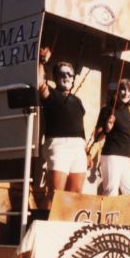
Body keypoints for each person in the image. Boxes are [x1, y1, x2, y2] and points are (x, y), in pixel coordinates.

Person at [38, 49, 88, 202]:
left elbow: (80, 128)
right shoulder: (51, 93)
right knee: (56, 194)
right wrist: (41, 61)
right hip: (59, 145)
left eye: (69, 74)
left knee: (75, 194)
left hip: (79, 148)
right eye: (62, 74)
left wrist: (87, 152)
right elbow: (40, 83)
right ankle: (48, 225)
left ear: (73, 78)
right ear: (55, 77)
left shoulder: (77, 101)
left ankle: (67, 225)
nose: (66, 77)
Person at [94, 79, 130, 196]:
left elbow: (123, 135)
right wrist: (107, 129)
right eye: (123, 89)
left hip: (126, 157)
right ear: (117, 91)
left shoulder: (127, 111)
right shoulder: (108, 109)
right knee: (111, 191)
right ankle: (106, 215)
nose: (126, 93)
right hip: (111, 156)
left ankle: (127, 215)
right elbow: (96, 137)